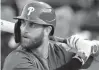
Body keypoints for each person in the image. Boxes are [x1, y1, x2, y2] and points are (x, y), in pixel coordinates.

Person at [2, 1, 99, 70]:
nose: (24, 29)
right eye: (23, 23)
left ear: (47, 30)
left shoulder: (58, 52)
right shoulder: (16, 59)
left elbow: (93, 58)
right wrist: (79, 59)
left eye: (32, 24)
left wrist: (88, 46)